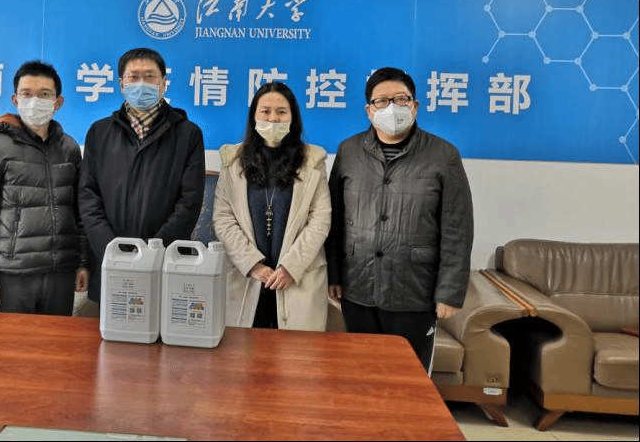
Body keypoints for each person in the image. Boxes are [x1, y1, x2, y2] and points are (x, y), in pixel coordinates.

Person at [325, 67, 474, 372]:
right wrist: (334, 274)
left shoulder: (444, 155)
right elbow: (335, 219)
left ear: (415, 105)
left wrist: (449, 292)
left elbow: (457, 229)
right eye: (381, 101)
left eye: (401, 99)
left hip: (415, 291)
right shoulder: (349, 152)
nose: (391, 107)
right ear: (369, 110)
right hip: (358, 287)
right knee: (361, 371)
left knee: (409, 378)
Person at [79, 47, 205, 305]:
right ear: (121, 84)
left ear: (163, 83)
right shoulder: (99, 133)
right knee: (111, 327)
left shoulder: (188, 134)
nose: (141, 84)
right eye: (134, 77)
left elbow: (190, 202)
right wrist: (111, 250)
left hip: (164, 261)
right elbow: (88, 197)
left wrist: (152, 252)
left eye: (150, 77)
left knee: (162, 325)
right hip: (109, 262)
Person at [0, 60, 89, 315]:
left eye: (44, 94)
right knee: (11, 342)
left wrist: (83, 261)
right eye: (27, 94)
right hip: (11, 274)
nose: (35, 101)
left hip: (60, 273)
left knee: (56, 340)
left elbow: (80, 211)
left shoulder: (69, 148)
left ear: (58, 102)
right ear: (15, 100)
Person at [213, 82, 331, 330]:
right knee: (242, 351)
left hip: (297, 279)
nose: (273, 118)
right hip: (246, 278)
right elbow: (223, 218)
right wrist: (252, 264)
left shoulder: (312, 160)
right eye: (265, 111)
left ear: (293, 117)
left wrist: (291, 267)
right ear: (254, 116)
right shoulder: (233, 160)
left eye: (281, 112)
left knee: (296, 354)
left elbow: (320, 219)